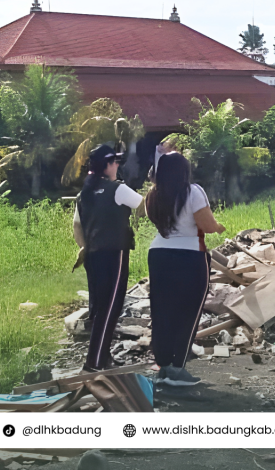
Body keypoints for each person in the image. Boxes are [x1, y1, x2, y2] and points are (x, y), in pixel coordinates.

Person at [146, 146, 225, 386]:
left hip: (159, 253)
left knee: (162, 312)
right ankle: (178, 368)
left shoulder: (153, 195)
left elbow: (157, 220)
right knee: (187, 313)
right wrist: (218, 226)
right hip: (190, 255)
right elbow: (206, 224)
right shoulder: (193, 192)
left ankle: (163, 367)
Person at [73, 144, 144, 372]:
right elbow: (144, 206)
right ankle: (94, 363)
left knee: (99, 307)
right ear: (107, 165)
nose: (117, 165)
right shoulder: (118, 189)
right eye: (115, 162)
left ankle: (102, 358)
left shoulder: (84, 193)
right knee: (110, 307)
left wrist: (86, 246)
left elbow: (76, 225)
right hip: (114, 253)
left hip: (92, 255)